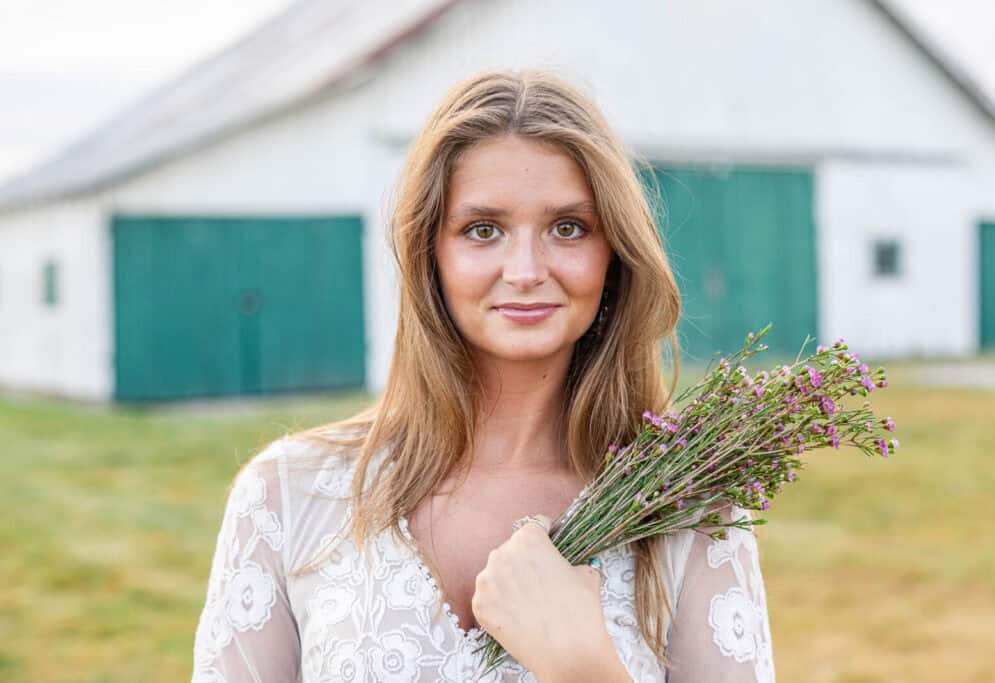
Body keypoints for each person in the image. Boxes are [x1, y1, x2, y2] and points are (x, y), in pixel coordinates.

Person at [191, 69, 774, 682]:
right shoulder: (287, 496)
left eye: (567, 227)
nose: (524, 269)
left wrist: (582, 666)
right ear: (430, 255)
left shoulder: (690, 507)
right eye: (483, 230)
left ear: (615, 253)